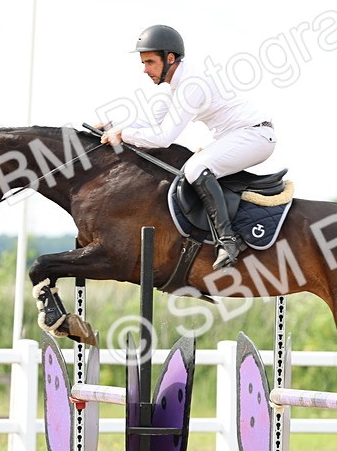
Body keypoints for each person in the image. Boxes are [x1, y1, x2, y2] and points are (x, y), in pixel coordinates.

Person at [100, 25, 276, 269]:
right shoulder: (175, 83)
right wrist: (113, 126)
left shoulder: (191, 84)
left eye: (150, 62)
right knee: (193, 166)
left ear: (169, 58)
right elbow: (151, 121)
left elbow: (162, 138)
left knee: (195, 168)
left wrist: (122, 134)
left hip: (254, 136)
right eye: (143, 62)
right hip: (239, 135)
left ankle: (228, 240)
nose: (145, 69)